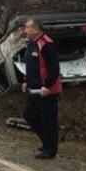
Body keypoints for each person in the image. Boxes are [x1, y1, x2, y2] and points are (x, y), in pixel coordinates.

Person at [21, 19, 61, 159]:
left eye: (27, 28)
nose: (25, 31)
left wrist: (47, 86)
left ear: (36, 29)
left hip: (46, 91)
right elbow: (31, 65)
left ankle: (50, 149)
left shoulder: (46, 44)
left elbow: (54, 69)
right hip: (33, 89)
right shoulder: (31, 44)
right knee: (29, 115)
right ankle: (47, 142)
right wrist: (26, 81)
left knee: (48, 120)